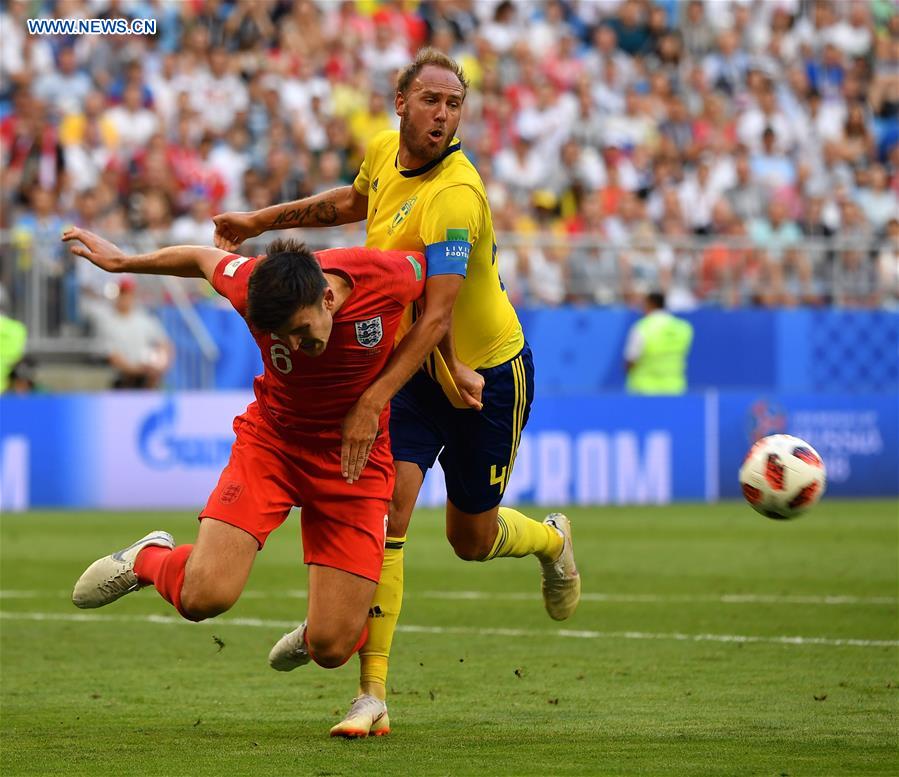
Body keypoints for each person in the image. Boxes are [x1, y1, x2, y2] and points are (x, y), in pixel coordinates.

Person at [213, 48, 580, 738]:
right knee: (388, 511)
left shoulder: (454, 196)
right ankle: (370, 691)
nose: (443, 114)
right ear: (401, 100)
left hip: (486, 373)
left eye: (454, 104)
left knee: (470, 539)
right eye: (432, 100)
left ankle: (548, 540)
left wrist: (368, 400)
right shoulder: (384, 152)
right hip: (409, 367)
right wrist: (260, 222)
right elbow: (349, 202)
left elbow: (438, 315)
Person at [62, 227, 426, 724]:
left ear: (326, 297)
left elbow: (441, 299)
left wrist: (381, 396)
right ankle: (148, 559)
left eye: (301, 331)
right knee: (201, 598)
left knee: (333, 647)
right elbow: (200, 256)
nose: (295, 346)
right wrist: (126, 263)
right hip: (272, 446)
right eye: (283, 338)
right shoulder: (256, 282)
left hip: (354, 461)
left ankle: (320, 627)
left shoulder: (382, 276)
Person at [93, 277, 173, 389]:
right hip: (122, 380)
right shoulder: (108, 322)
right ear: (118, 296)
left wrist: (160, 365)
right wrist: (136, 370)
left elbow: (165, 344)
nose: (126, 298)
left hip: (146, 379)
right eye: (123, 294)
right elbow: (112, 356)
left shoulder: (144, 319)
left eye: (129, 294)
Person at [624, 291, 694, 395]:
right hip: (674, 389)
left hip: (643, 390)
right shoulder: (683, 328)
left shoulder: (642, 328)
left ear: (650, 304)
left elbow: (631, 361)